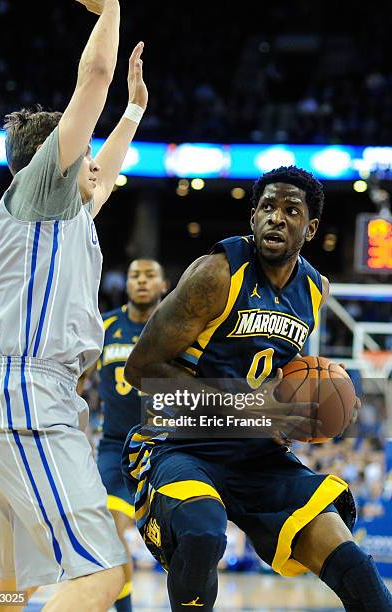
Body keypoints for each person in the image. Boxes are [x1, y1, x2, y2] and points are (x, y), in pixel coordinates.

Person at [122, 166, 392, 611]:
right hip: (185, 444)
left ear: (312, 227)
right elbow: (142, 369)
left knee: (354, 563)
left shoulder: (315, 290)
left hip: (256, 455)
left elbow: (285, 381)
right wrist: (250, 407)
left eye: (291, 210)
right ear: (252, 218)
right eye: (267, 207)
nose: (276, 218)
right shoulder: (216, 274)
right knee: (203, 534)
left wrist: (328, 405)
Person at [0, 0, 148, 609]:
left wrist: (135, 113)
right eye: (86, 154)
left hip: (11, 400)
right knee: (100, 578)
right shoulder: (41, 190)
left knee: (9, 585)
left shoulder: (65, 217)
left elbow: (109, 166)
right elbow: (92, 80)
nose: (99, 164)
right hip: (28, 399)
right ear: (60, 164)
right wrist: (112, 10)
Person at [95, 259, 167, 611]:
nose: (141, 281)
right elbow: (77, 383)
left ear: (164, 284)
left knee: (185, 539)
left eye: (149, 275)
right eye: (134, 275)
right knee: (110, 530)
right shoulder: (105, 326)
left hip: (163, 447)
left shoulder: (177, 327)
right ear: (126, 284)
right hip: (114, 448)